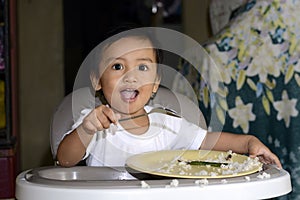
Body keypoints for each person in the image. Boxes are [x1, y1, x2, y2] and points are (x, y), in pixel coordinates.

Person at [56, 27, 282, 168]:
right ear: (97, 80)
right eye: (117, 66)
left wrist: (249, 142)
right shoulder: (94, 123)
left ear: (155, 84)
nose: (130, 76)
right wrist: (86, 129)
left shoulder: (167, 125)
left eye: (142, 68)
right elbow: (65, 160)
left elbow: (209, 141)